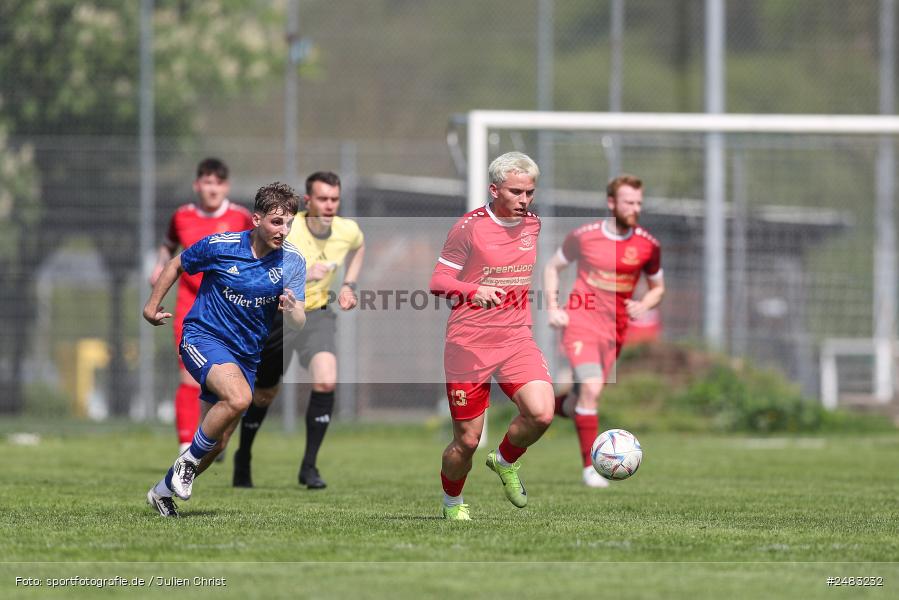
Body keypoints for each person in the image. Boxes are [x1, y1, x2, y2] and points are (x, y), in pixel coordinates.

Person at [143, 182, 306, 517]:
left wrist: (294, 312)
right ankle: (186, 462)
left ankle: (161, 491)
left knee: (217, 445)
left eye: (289, 222)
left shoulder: (292, 262)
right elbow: (176, 264)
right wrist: (151, 305)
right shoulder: (221, 245)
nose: (284, 230)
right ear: (256, 219)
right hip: (202, 337)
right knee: (240, 398)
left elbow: (299, 318)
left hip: (246, 355)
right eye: (277, 222)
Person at [430, 152, 554, 521]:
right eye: (516, 191)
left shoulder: (533, 224)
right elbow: (437, 281)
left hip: (516, 337)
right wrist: (473, 291)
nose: (524, 200)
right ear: (494, 189)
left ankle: (504, 460)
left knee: (542, 413)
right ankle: (453, 501)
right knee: (466, 442)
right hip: (469, 343)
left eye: (530, 192)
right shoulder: (468, 228)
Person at [232, 171, 364, 490]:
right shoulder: (288, 229)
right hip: (279, 318)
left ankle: (309, 467)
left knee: (326, 379)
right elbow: (261, 270)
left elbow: (358, 248)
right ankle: (244, 455)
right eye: (323, 198)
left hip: (317, 314)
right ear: (309, 200)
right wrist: (302, 275)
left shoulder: (348, 230)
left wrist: (348, 284)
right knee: (264, 394)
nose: (330, 204)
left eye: (334, 198)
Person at [542, 174, 665, 488]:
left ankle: (541, 408)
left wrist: (645, 302)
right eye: (628, 202)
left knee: (579, 402)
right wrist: (554, 307)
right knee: (593, 389)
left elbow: (657, 288)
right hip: (581, 320)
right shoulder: (584, 236)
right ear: (612, 203)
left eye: (638, 202)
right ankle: (590, 469)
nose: (635, 208)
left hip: (615, 329)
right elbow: (552, 268)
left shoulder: (648, 245)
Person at [149, 158, 254, 456]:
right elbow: (169, 246)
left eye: (218, 182)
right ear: (197, 185)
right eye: (207, 182)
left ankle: (212, 436)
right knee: (188, 375)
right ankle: (186, 444)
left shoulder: (241, 217)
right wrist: (159, 267)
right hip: (190, 306)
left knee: (230, 379)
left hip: (230, 309)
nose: (212, 189)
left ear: (226, 186)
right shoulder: (181, 217)